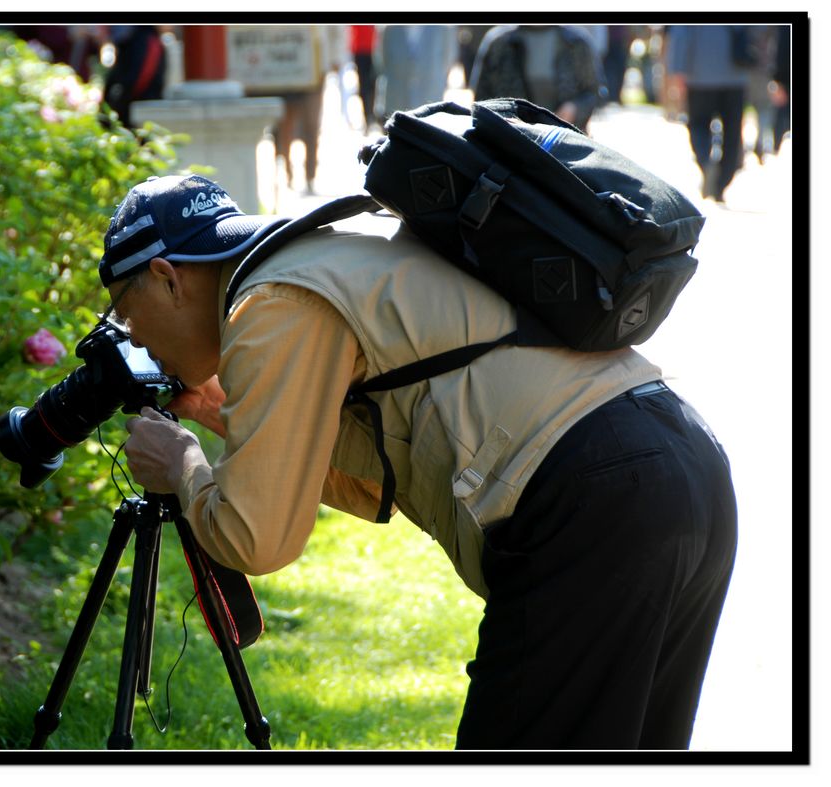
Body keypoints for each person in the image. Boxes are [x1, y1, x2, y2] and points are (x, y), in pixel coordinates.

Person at [102, 173, 738, 749]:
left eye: (128, 316)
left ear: (167, 277)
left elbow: (255, 537)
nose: (135, 339)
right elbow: (376, 476)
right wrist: (228, 417)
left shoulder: (270, 302)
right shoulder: (327, 253)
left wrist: (184, 464)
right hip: (680, 461)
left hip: (594, 499)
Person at [665, 25, 753, 203]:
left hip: (699, 75)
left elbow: (680, 34)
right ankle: (721, 183)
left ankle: (706, 160)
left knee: (698, 124)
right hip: (735, 75)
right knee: (732, 132)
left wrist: (678, 71)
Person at [470, 24, 605, 131]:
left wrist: (575, 108)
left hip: (566, 142)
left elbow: (595, 92)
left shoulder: (576, 42)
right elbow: (481, 100)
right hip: (510, 143)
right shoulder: (498, 43)